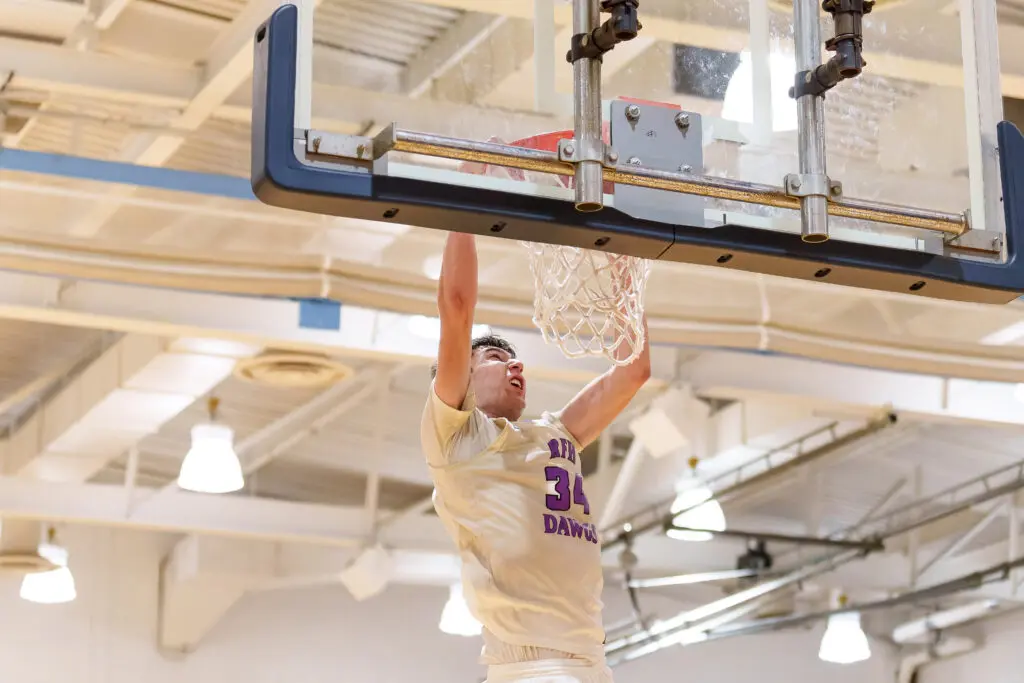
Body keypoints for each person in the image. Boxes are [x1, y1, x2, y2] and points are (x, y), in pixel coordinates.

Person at [420, 232, 651, 683]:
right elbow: (457, 304)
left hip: (590, 661)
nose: (515, 365)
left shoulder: (555, 431)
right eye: (493, 357)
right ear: (461, 376)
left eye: (515, 359)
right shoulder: (458, 436)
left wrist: (625, 280)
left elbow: (633, 372)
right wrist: (461, 215)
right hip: (532, 665)